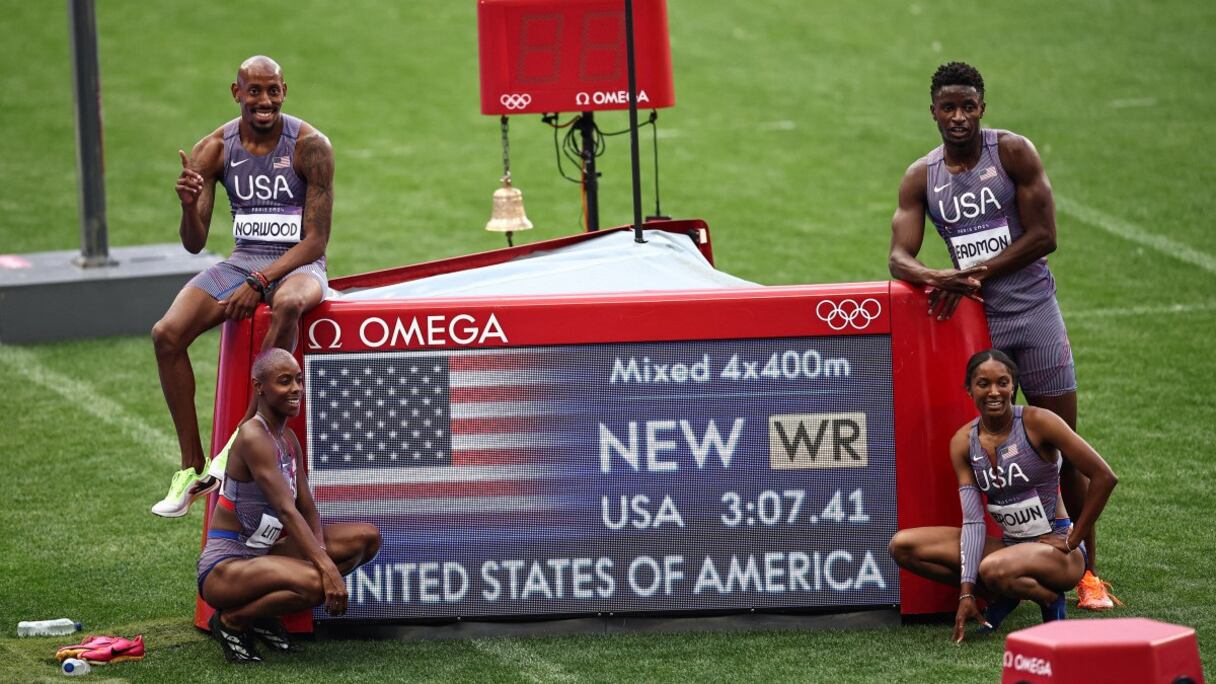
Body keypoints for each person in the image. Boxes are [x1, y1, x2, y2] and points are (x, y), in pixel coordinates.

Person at [887, 61, 1119, 610]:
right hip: (976, 325)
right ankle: (1008, 558)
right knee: (989, 449)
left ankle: (1086, 573)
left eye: (969, 105)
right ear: (934, 113)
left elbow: (1045, 235)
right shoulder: (922, 176)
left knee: (1060, 447)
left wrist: (974, 274)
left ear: (982, 108)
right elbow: (899, 257)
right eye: (949, 107)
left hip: (1034, 313)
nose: (960, 116)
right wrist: (937, 277)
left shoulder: (1012, 152)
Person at [151, 55, 334, 518]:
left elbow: (315, 241)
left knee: (290, 303)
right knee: (166, 335)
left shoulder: (310, 146)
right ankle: (193, 468)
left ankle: (239, 437)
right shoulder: (212, 149)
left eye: (273, 91)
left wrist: (261, 280)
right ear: (237, 94)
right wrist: (189, 207)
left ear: (284, 91)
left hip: (297, 268)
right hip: (242, 261)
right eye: (254, 91)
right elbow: (194, 245)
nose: (265, 101)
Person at [888, 350, 1117, 643]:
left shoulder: (1039, 422)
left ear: (1014, 386)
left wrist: (1074, 539)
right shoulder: (963, 442)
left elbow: (1104, 476)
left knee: (993, 567)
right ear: (969, 389)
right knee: (903, 546)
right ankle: (1004, 592)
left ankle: (1048, 598)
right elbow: (973, 521)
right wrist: (967, 591)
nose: (994, 392)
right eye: (983, 383)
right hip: (1009, 548)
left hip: (1058, 552)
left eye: (1003, 383)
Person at [197, 348, 380, 663]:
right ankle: (232, 620)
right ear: (260, 388)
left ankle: (262, 612)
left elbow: (307, 508)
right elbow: (286, 510)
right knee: (315, 584)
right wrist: (326, 571)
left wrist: (322, 555)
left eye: (298, 380)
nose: (296, 388)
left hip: (264, 555)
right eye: (284, 381)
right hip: (225, 569)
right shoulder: (253, 435)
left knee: (365, 539)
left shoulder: (288, 439)